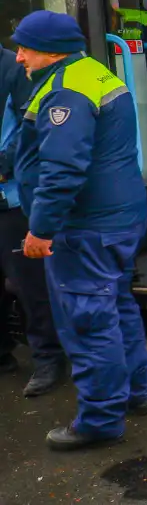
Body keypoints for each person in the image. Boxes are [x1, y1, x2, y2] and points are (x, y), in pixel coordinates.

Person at [11, 11, 147, 451]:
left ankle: (100, 419)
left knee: (89, 320)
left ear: (50, 50)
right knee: (117, 306)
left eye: (25, 48)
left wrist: (41, 229)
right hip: (119, 216)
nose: (18, 58)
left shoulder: (64, 91)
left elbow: (62, 169)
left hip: (85, 225)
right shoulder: (93, 73)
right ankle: (135, 392)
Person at [0, 46, 65, 396]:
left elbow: (29, 131)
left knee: (30, 284)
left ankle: (49, 360)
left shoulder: (14, 69)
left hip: (10, 198)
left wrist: (2, 167)